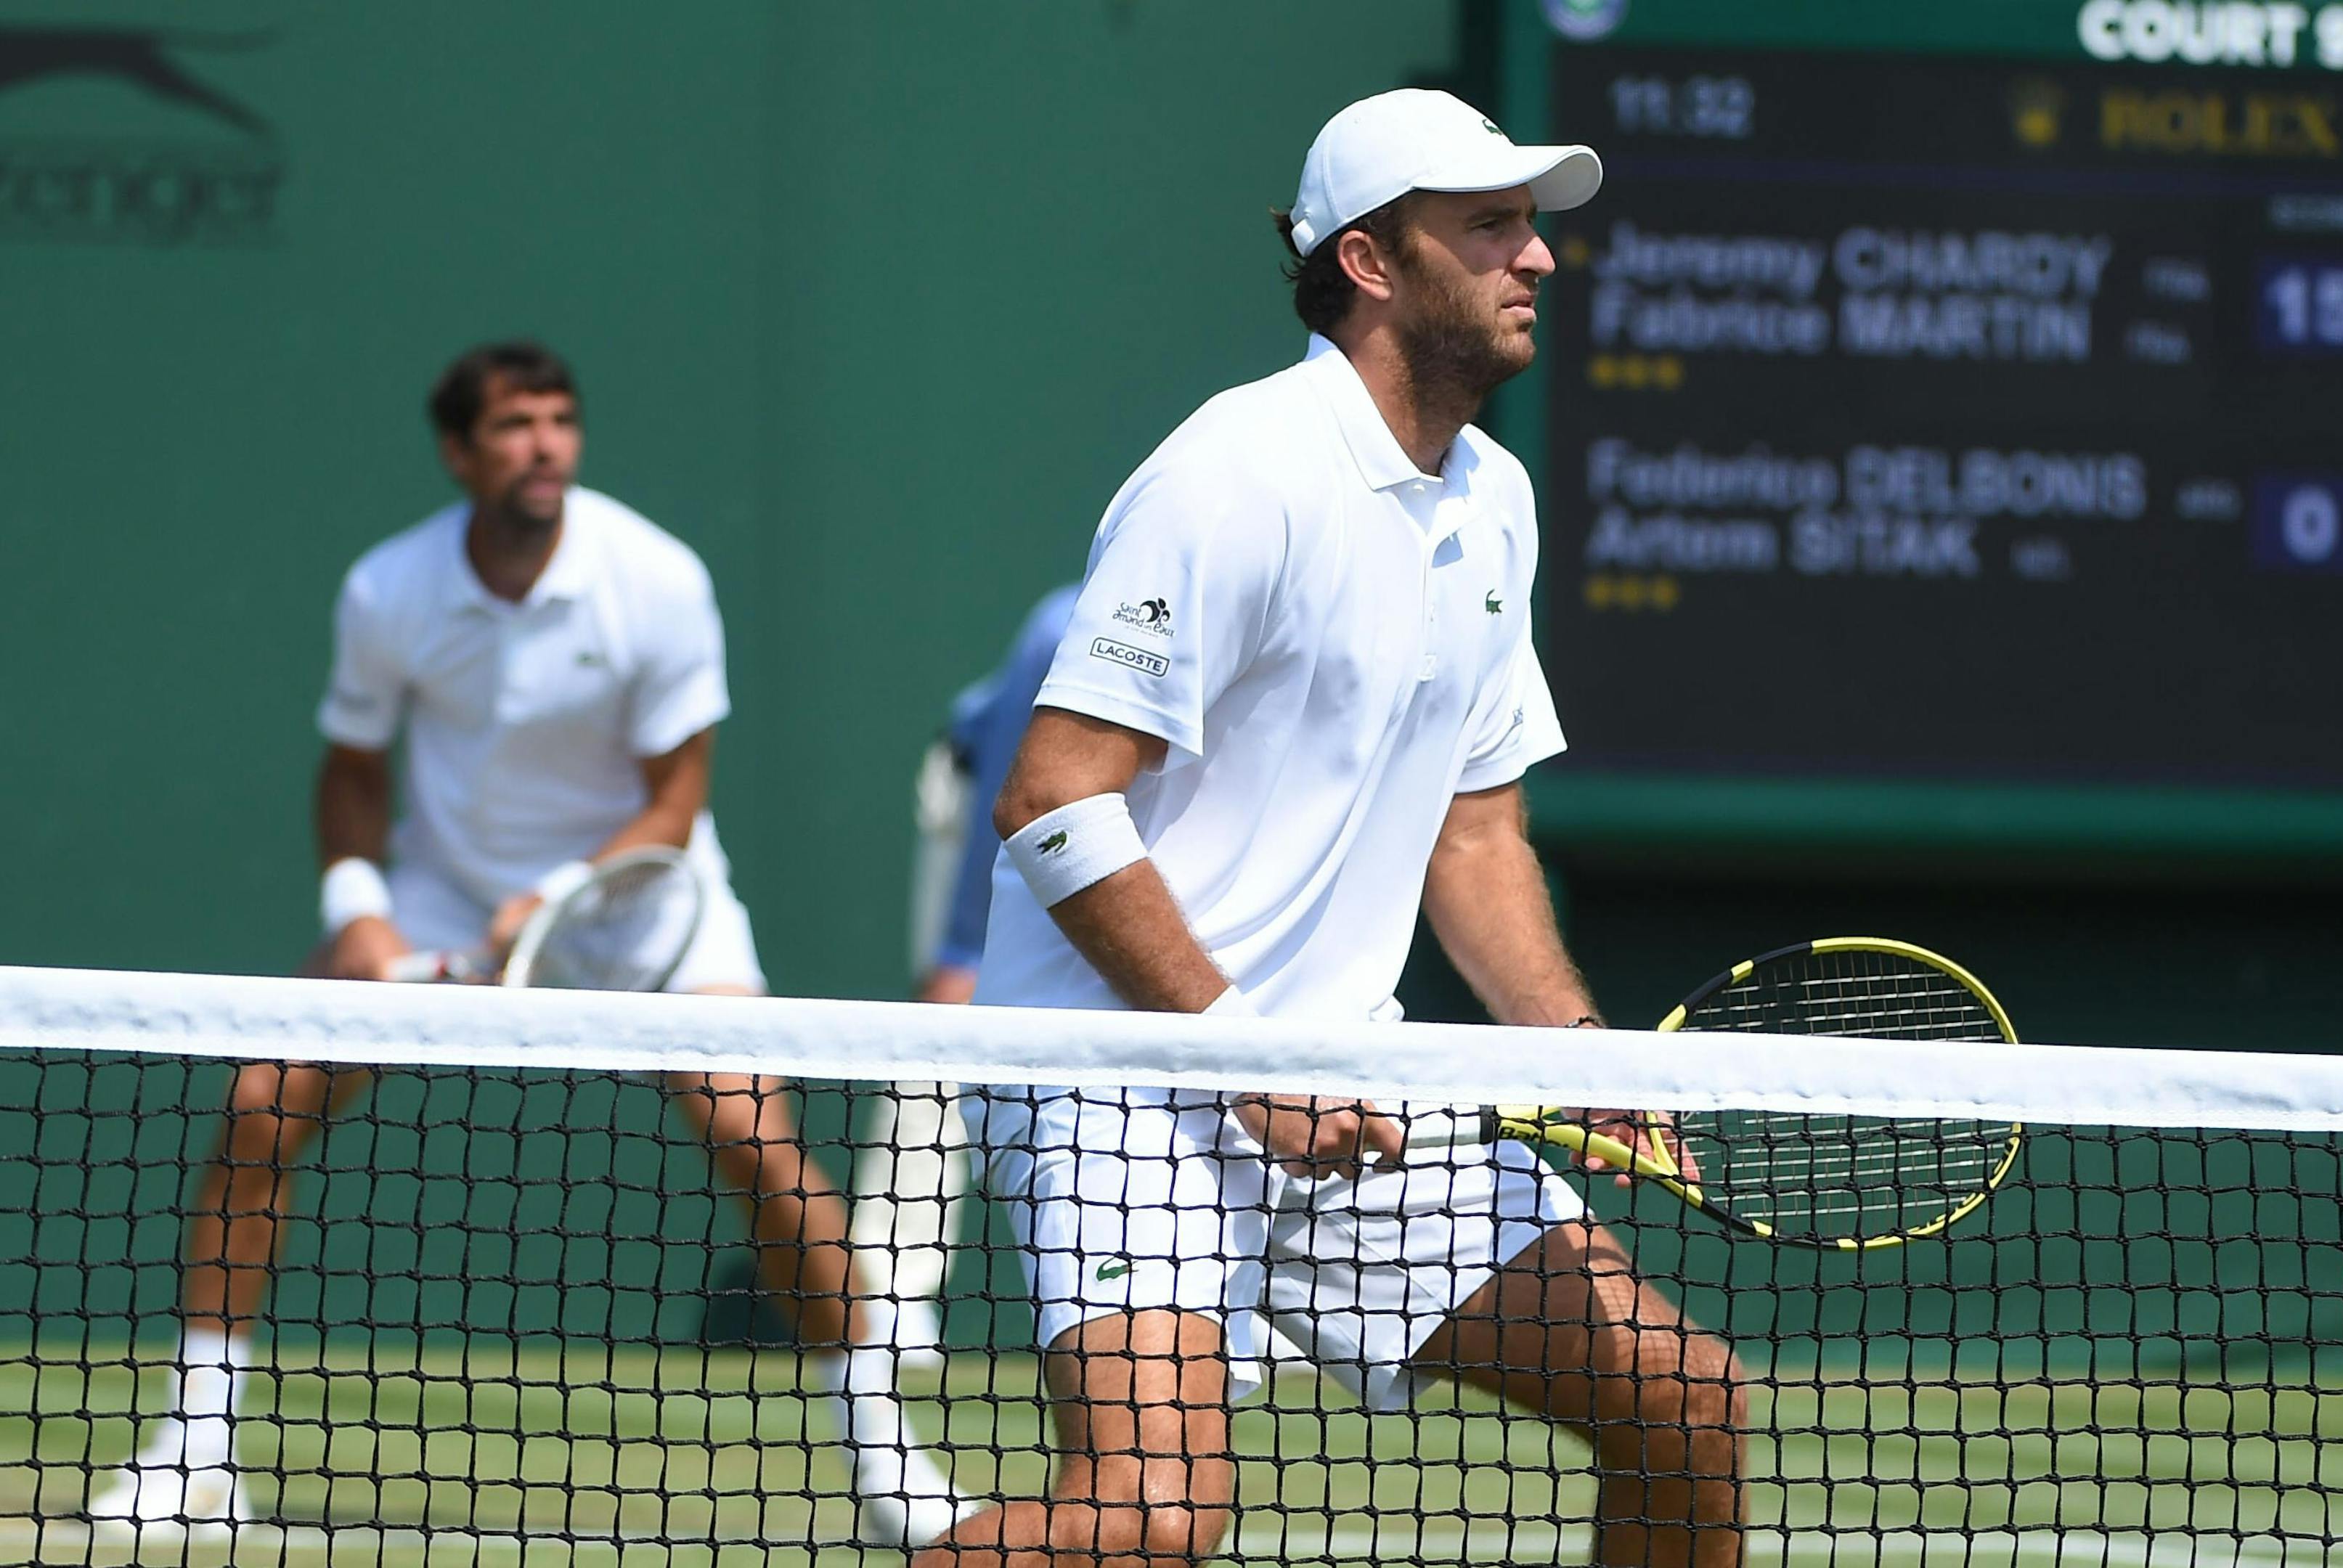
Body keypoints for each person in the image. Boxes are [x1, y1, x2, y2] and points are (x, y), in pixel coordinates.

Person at [928, 91, 1749, 1568]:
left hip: (1351, 1082)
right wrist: (1248, 1060)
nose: (1538, 258)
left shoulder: (1494, 502)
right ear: (1372, 263)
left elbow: (1476, 833)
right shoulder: (1236, 476)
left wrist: (1572, 1042)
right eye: (1491, 225)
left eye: (1533, 223)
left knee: (1684, 1403)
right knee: (1154, 1523)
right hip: (1123, 1080)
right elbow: (1050, 796)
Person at [89, 342, 965, 1550]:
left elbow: (675, 796)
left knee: (755, 1144)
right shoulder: (389, 591)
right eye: (513, 424)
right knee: (262, 1102)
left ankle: (885, 1459)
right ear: (461, 452)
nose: (544, 443)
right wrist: (366, 916)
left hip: (650, 904)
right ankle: (194, 1447)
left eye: (559, 420)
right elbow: (349, 776)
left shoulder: (652, 577)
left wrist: (556, 897)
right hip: (444, 902)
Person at [849, 581, 1080, 1371]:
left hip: (1130, 818)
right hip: (991, 797)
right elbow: (1009, 796)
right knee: (948, 1036)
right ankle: (886, 1297)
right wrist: (963, 949)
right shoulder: (1064, 627)